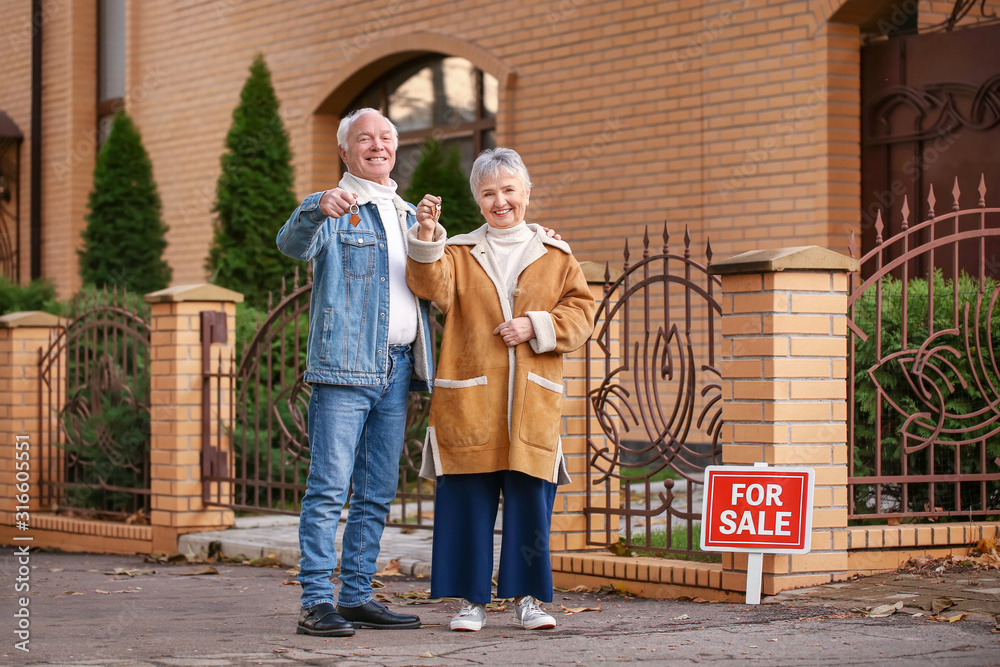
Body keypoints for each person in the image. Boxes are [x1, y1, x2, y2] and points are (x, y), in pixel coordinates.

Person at [406, 148, 596, 632]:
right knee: (468, 499)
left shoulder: (556, 256)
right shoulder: (460, 253)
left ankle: (528, 599)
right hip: (470, 400)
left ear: (526, 193)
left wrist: (536, 326)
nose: (501, 201)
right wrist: (426, 235)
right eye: (489, 193)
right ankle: (471, 602)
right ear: (478, 199)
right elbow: (430, 285)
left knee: (530, 500)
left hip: (533, 400)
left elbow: (581, 314)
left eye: (509, 189)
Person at [276, 108, 435, 637]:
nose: (377, 145)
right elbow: (292, 246)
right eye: (364, 138)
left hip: (398, 369)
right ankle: (317, 601)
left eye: (386, 137)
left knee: (375, 492)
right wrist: (316, 210)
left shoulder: (410, 214)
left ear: (395, 147)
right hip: (344, 371)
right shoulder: (335, 206)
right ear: (344, 151)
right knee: (328, 488)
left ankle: (357, 595)